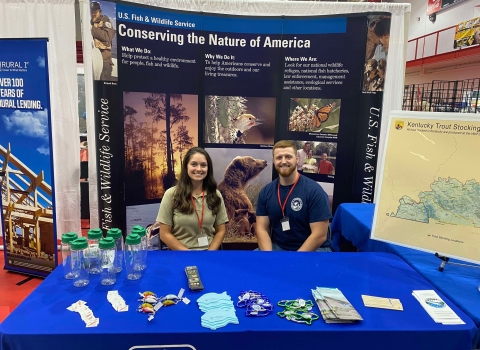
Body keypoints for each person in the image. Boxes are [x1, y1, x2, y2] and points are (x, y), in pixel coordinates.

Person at [256, 140, 332, 252]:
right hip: (279, 248)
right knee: (248, 265)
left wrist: (294, 261)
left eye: (288, 157)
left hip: (315, 250)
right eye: (278, 158)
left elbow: (319, 235)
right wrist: (269, 258)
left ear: (297, 159)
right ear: (273, 161)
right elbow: (262, 229)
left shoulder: (314, 191)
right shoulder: (266, 192)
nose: (283, 161)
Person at [156, 147, 228, 250]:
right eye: (194, 164)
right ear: (186, 167)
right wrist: (189, 255)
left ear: (208, 168)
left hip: (208, 254)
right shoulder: (171, 194)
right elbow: (164, 233)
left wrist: (210, 254)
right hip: (180, 255)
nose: (199, 169)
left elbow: (221, 231)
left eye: (203, 165)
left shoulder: (215, 194)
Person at [90, 1, 117, 81]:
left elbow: (108, 36)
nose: (93, 14)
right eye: (91, 12)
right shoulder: (90, 22)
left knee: (104, 85)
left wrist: (92, 29)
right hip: (93, 58)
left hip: (104, 60)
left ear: (100, 12)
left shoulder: (106, 22)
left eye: (95, 12)